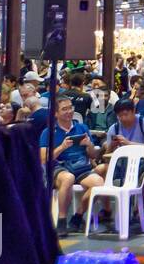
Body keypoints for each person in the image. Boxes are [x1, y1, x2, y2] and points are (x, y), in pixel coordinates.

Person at [39, 96, 103, 233]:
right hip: (59, 166)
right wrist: (62, 147)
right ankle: (61, 220)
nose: (69, 111)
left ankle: (78, 216)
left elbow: (93, 155)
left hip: (81, 166)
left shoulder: (82, 128)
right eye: (64, 109)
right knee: (68, 178)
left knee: (99, 183)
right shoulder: (48, 132)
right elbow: (43, 158)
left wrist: (89, 145)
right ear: (56, 113)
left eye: (70, 108)